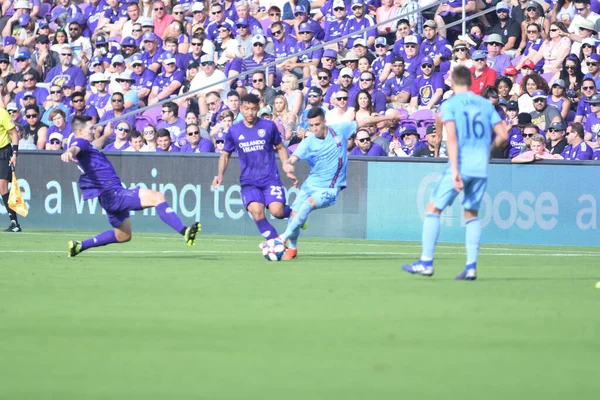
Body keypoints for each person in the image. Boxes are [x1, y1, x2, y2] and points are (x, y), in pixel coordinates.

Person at [402, 66, 508, 280]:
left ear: (452, 81)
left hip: (460, 162)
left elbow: (452, 138)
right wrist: (488, 149)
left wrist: (455, 170)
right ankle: (471, 267)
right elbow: (503, 135)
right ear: (470, 81)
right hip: (480, 165)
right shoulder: (485, 104)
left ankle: (426, 262)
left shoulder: (451, 104)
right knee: (471, 215)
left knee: (433, 208)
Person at [61, 115, 200, 257]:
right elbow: (75, 148)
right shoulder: (80, 142)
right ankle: (185, 231)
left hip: (107, 197)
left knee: (123, 236)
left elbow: (92, 144)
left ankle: (79, 246)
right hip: (112, 192)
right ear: (79, 131)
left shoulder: (88, 145)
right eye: (90, 129)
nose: (93, 130)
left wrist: (106, 135)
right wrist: (68, 152)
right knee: (157, 197)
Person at [276, 107, 400, 260]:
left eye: (317, 124)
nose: (315, 129)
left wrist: (386, 117)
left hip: (330, 187)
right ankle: (292, 249)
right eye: (311, 126)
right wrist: (288, 165)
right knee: (294, 216)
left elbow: (365, 121)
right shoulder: (308, 142)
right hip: (310, 185)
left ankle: (281, 238)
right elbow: (293, 158)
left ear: (325, 122)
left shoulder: (339, 130)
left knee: (307, 205)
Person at [212, 94, 297, 243]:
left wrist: (286, 165)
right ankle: (276, 244)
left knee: (277, 211)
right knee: (257, 213)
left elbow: (280, 147)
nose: (250, 112)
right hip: (249, 182)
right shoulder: (234, 131)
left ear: (258, 108)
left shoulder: (268, 126)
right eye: (246, 109)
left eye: (253, 109)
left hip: (270, 179)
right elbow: (225, 154)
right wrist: (220, 175)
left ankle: (297, 214)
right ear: (241, 108)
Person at [0, 106, 21, 232]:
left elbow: (13, 133)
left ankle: (14, 222)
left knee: (2, 186)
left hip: (3, 152)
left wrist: (14, 153)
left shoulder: (2, 113)